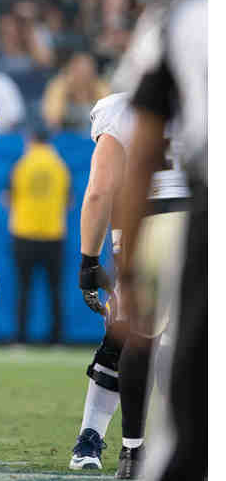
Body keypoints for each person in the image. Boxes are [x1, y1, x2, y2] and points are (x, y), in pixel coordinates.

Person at [113, 0, 207, 479]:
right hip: (191, 205)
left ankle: (131, 448)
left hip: (194, 210)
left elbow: (138, 155)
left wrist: (123, 270)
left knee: (189, 386)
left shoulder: (178, 14)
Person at [69, 92, 191, 478]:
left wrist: (89, 260)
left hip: (145, 227)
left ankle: (134, 451)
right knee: (180, 343)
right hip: (199, 225)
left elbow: (98, 192)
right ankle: (173, 446)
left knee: (133, 335)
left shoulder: (120, 108)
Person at [6, 125, 70, 344]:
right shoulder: (60, 166)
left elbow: (8, 198)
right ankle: (57, 339)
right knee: (55, 290)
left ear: (31, 138)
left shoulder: (22, 165)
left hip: (24, 233)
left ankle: (21, 338)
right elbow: (69, 201)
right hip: (54, 234)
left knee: (23, 288)